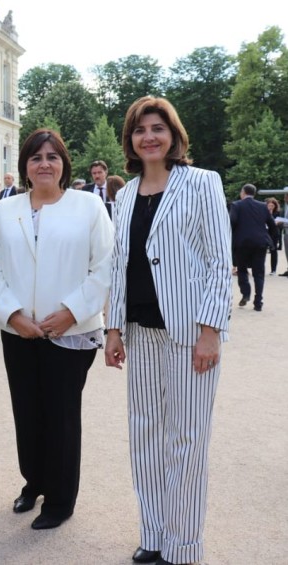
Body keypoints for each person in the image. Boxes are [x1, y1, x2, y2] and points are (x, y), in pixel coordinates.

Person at [105, 96, 232, 565]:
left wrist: (211, 330)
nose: (149, 137)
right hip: (140, 334)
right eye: (140, 130)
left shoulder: (201, 184)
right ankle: (153, 535)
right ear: (131, 140)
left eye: (158, 128)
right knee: (145, 438)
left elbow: (220, 262)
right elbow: (119, 265)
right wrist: (113, 330)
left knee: (188, 440)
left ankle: (184, 547)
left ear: (174, 135)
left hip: (188, 334)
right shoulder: (123, 195)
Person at [0, 129, 113, 530]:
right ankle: (33, 482)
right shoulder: (6, 209)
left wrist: (70, 312)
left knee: (60, 415)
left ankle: (60, 499)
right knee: (27, 411)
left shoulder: (88, 206)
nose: (44, 164)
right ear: (24, 166)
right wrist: (13, 314)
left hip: (69, 332)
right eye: (36, 157)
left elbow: (104, 267)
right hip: (19, 330)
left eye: (52, 157)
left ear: (63, 164)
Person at [230, 183, 277, 311]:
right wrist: (271, 240)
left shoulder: (236, 205)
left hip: (242, 243)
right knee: (259, 273)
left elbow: (232, 222)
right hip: (260, 243)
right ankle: (258, 302)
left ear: (243, 192)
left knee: (242, 270)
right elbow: (272, 225)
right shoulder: (263, 206)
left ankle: (246, 293)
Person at [265, 197, 282, 275]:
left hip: (273, 233)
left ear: (275, 206)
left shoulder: (277, 213)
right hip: (265, 233)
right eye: (269, 205)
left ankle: (273, 270)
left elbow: (276, 222)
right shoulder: (263, 212)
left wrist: (271, 213)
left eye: (272, 205)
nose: (271, 207)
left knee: (273, 251)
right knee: (262, 250)